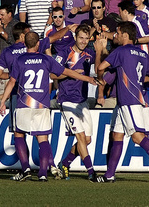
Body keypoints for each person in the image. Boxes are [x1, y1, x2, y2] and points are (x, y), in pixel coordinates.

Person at [0, 31, 98, 181]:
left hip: (23, 104)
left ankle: (25, 169)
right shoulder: (46, 59)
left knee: (19, 135)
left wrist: (2, 101)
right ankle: (43, 174)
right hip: (41, 105)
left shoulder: (19, 60)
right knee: (43, 139)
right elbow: (66, 72)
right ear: (38, 44)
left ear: (25, 44)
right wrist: (86, 78)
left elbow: (12, 82)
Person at [96, 21, 149, 183]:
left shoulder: (121, 51)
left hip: (129, 99)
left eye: (118, 33)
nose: (116, 36)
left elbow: (100, 69)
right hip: (136, 97)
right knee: (116, 135)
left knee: (137, 136)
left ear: (125, 35)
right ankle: (109, 175)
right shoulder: (142, 53)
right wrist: (138, 81)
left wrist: (99, 52)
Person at [54, 25, 99, 182]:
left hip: (82, 101)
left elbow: (99, 67)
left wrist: (100, 50)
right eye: (81, 38)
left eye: (87, 39)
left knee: (86, 140)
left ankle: (65, 163)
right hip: (67, 101)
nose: (84, 41)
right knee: (80, 136)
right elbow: (53, 74)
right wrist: (70, 73)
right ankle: (91, 172)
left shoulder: (89, 54)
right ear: (75, 37)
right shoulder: (64, 53)